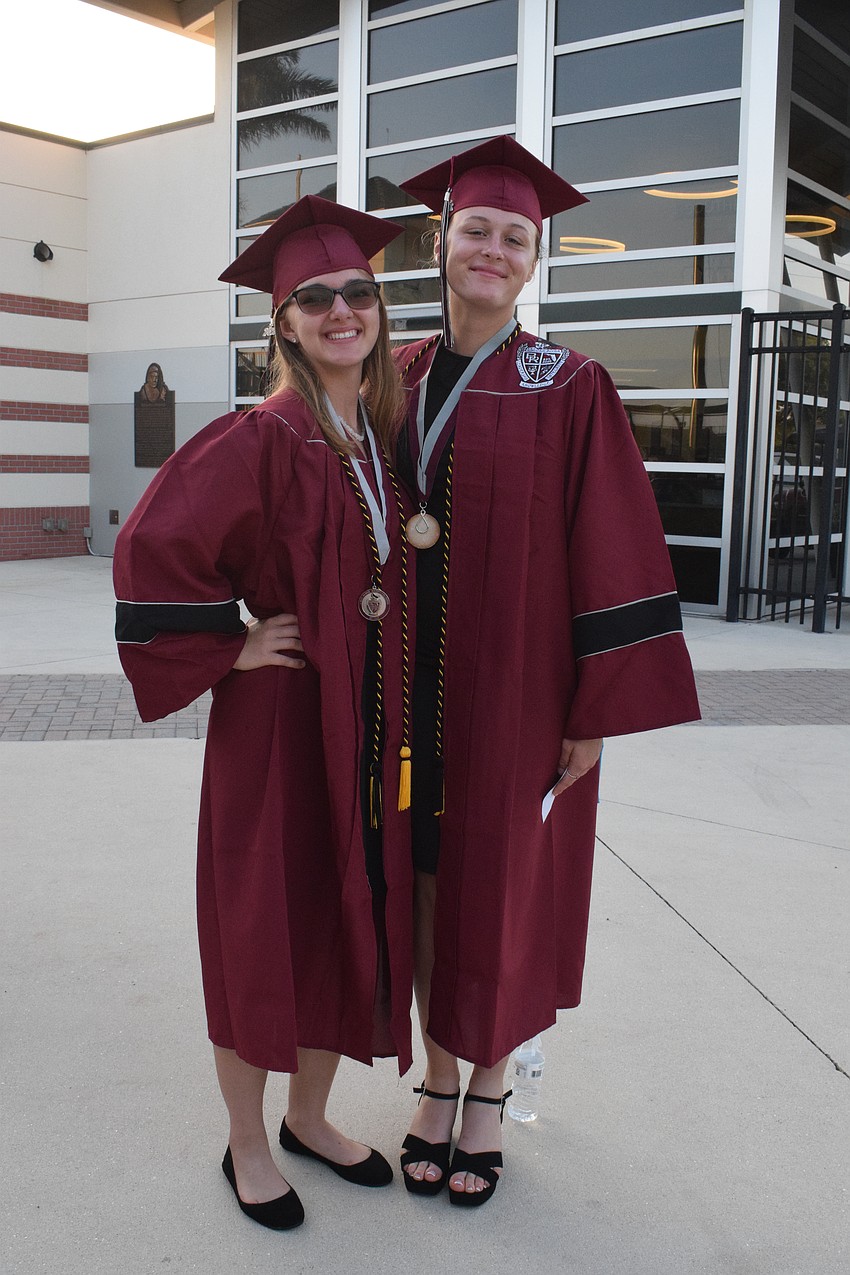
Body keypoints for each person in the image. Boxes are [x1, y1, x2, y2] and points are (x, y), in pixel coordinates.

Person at [393, 137, 701, 1207]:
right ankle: (433, 1077)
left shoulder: (568, 383)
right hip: (403, 695)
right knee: (424, 883)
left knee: (503, 890)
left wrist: (593, 709)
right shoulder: (390, 373)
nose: (491, 248)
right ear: (440, 242)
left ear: (533, 262)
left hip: (517, 697)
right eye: (474, 229)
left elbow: (609, 543)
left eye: (513, 237)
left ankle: (481, 1093)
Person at [113, 197, 415, 1230]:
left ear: (379, 308)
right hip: (282, 728)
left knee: (344, 914)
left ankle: (311, 1117)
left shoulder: (376, 436)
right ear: (282, 322)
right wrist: (232, 645)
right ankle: (247, 1143)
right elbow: (155, 549)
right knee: (261, 926)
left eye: (358, 292)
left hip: (366, 726)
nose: (342, 310)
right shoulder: (260, 434)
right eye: (315, 297)